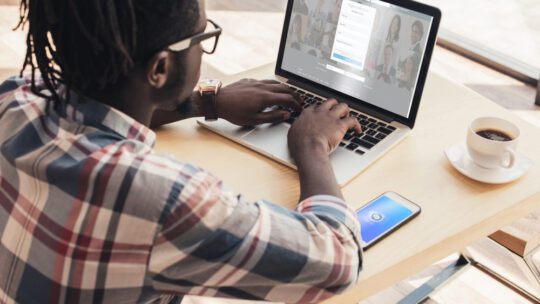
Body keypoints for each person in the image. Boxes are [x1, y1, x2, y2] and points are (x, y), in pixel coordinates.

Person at [0, 0, 363, 303]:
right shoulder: (160, 199)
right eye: (202, 37)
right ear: (160, 68)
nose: (203, 47)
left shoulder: (15, 99)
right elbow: (338, 262)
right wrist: (312, 145)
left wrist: (207, 101)